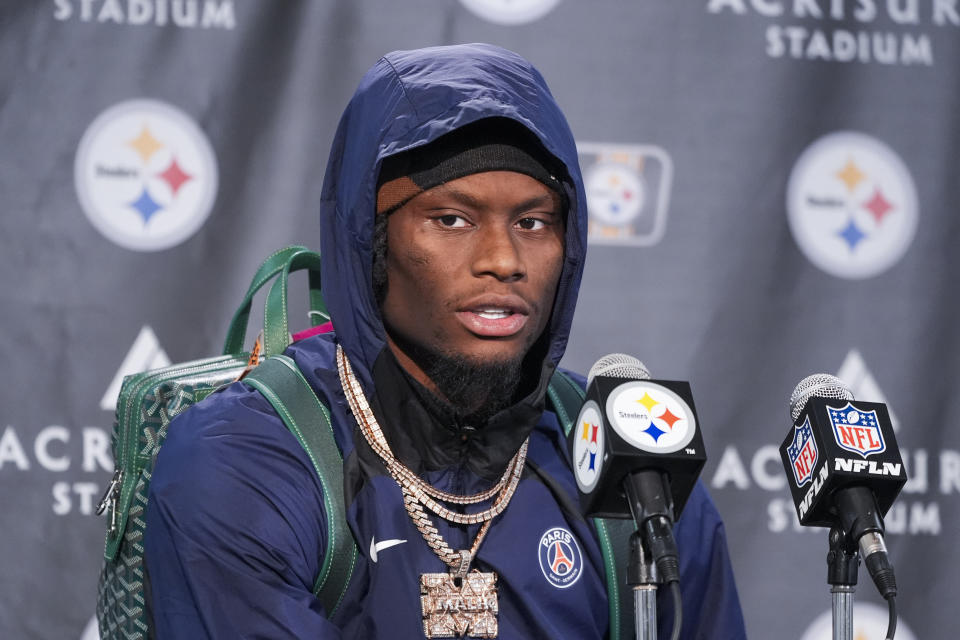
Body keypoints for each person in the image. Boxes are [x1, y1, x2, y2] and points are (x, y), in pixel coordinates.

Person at [144, 43, 747, 638]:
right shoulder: (247, 455)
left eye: (533, 222)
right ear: (371, 243)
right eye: (451, 220)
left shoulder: (632, 465)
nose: (504, 260)